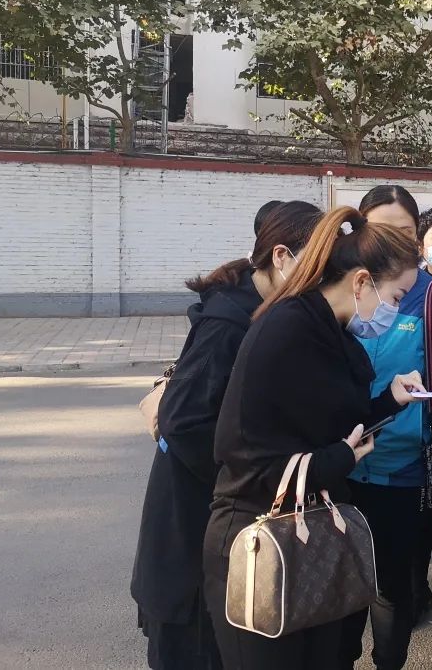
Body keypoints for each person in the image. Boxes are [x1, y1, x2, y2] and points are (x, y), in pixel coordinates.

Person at [202, 206, 424, 670]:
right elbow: (242, 451)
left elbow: (332, 422)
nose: (397, 311)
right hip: (260, 536)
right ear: (361, 282)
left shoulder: (329, 329)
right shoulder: (289, 327)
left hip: (307, 532)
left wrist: (389, 401)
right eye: (397, 296)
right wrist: (337, 459)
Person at [131, 200, 321, 670]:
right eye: (317, 265)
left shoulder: (266, 310)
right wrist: (248, 478)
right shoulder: (230, 321)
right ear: (281, 257)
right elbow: (183, 423)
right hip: (194, 532)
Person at [341, 186, 432, 670]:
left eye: (402, 230)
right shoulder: (343, 288)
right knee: (342, 584)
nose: (391, 240)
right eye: (379, 229)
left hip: (403, 469)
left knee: (393, 587)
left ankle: (389, 661)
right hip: (339, 466)